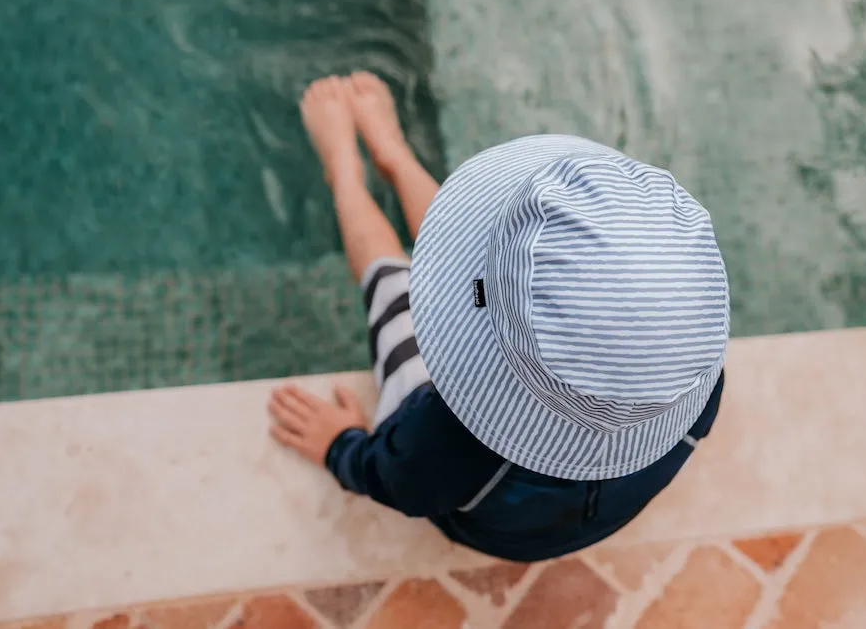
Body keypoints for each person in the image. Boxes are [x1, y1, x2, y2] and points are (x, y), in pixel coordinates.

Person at [267, 72, 728, 562]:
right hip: (573, 521)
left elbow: (395, 481)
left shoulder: (451, 437)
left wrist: (341, 445)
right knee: (495, 263)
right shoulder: (690, 384)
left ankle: (346, 170)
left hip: (493, 531)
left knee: (402, 284)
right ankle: (394, 156)